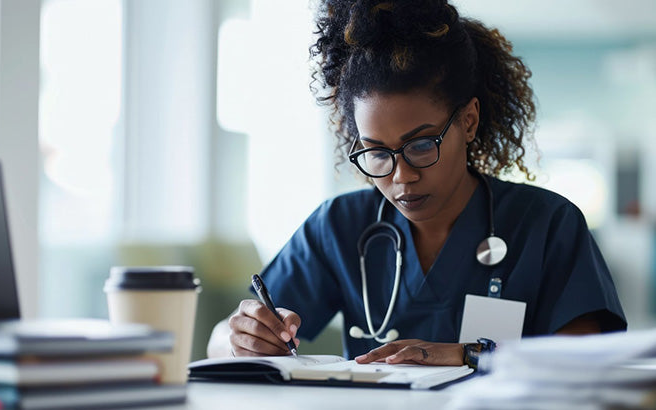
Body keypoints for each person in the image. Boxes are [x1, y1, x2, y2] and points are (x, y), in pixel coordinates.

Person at [207, 0, 626, 365]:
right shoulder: (340, 227)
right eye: (377, 153)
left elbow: (591, 359)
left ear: (469, 121)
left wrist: (470, 354)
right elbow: (218, 343)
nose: (401, 176)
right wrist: (241, 338)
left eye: (422, 145)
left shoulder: (548, 225)